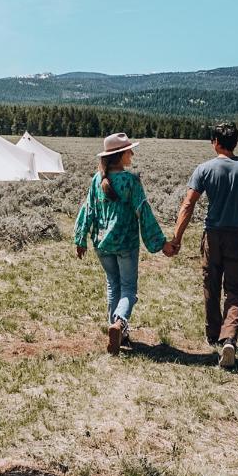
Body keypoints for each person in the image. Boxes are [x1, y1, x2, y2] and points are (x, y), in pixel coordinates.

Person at [74, 132, 177, 355]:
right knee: (129, 289)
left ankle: (119, 332)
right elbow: (144, 213)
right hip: (125, 244)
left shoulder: (97, 179)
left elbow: (87, 210)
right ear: (120, 156)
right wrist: (161, 244)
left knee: (113, 285)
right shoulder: (131, 181)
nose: (132, 153)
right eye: (129, 150)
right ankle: (119, 323)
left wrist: (80, 238)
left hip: (102, 244)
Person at [171, 122, 238, 368]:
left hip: (213, 236)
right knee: (234, 289)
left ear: (216, 142)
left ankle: (213, 333)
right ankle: (229, 339)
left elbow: (188, 205)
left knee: (211, 283)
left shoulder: (204, 169)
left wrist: (177, 238)